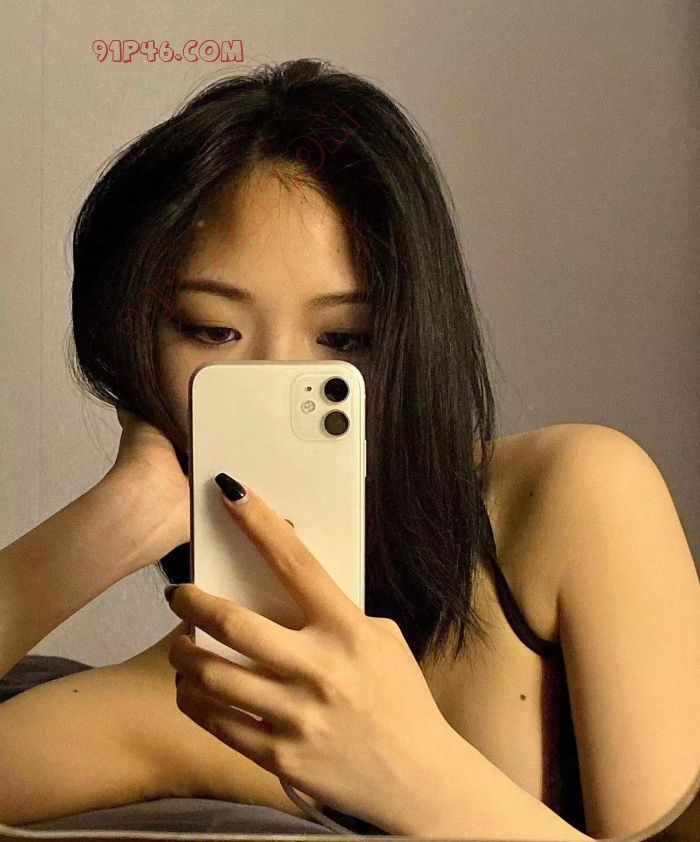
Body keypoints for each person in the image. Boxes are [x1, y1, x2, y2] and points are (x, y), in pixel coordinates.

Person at [1, 58, 698, 840]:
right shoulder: (200, 690)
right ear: (132, 348)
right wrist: (116, 520)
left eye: (342, 339)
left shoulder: (575, 497)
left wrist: (412, 770)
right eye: (211, 330)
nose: (277, 377)